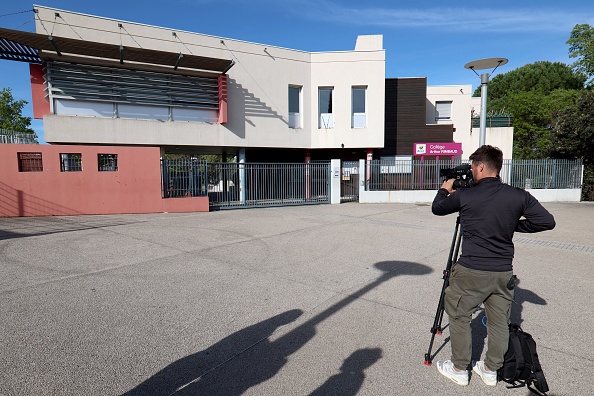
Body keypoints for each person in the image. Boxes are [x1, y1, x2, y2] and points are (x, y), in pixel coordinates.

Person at [431, 145, 555, 387]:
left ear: (480, 167)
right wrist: (514, 225)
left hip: (471, 271)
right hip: (503, 272)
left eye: (473, 168)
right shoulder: (518, 195)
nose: (472, 173)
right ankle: (490, 370)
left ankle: (459, 368)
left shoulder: (466, 195)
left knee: (459, 316)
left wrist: (445, 189)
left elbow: (438, 208)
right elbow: (546, 221)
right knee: (499, 322)